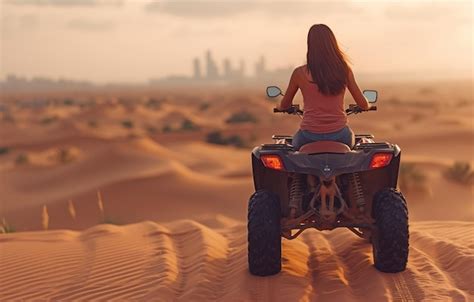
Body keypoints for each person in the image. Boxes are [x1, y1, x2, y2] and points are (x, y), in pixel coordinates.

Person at [277, 24, 371, 150]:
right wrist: (366, 105)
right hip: (341, 135)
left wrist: (281, 106)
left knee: (290, 156)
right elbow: (363, 104)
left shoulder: (299, 73)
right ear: (332, 44)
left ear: (310, 45)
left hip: (308, 136)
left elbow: (285, 104)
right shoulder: (344, 70)